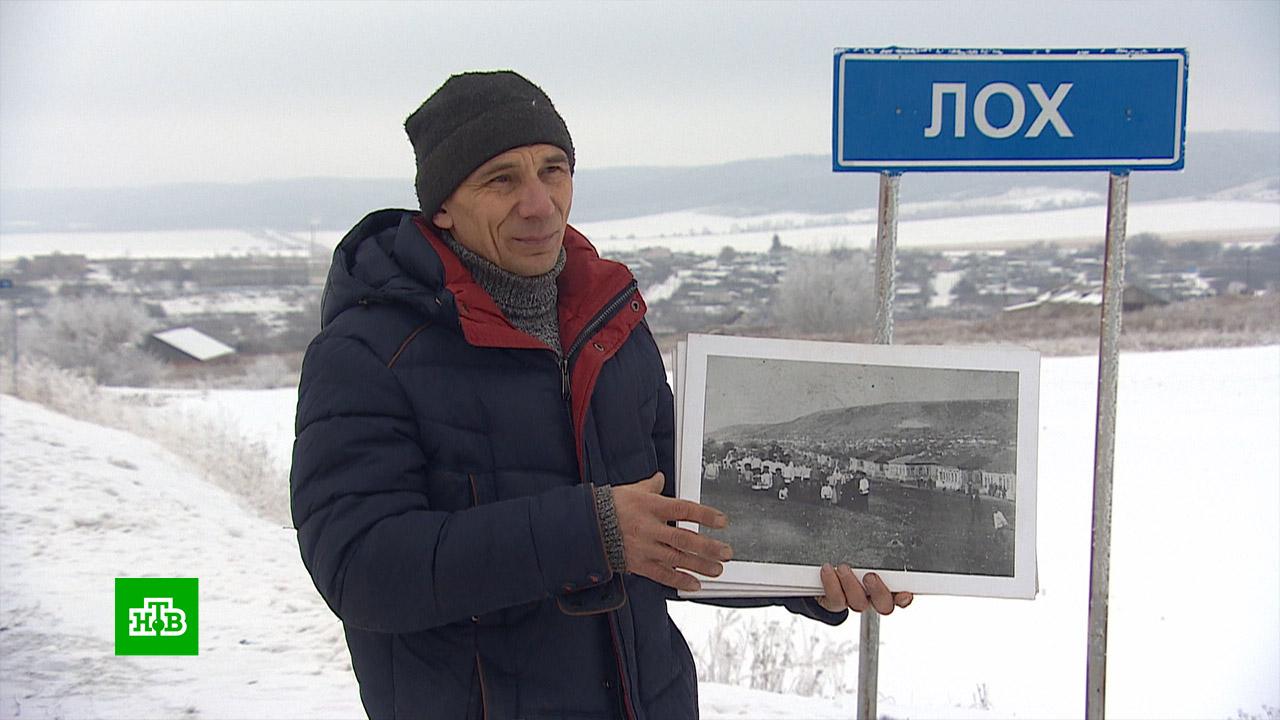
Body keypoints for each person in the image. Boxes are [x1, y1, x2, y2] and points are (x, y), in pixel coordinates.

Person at [289, 70, 911, 720]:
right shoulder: (366, 354)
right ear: (443, 206)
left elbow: (687, 517)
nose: (539, 203)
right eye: (501, 180)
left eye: (553, 171)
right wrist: (594, 533)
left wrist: (810, 575)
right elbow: (362, 569)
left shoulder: (609, 324)